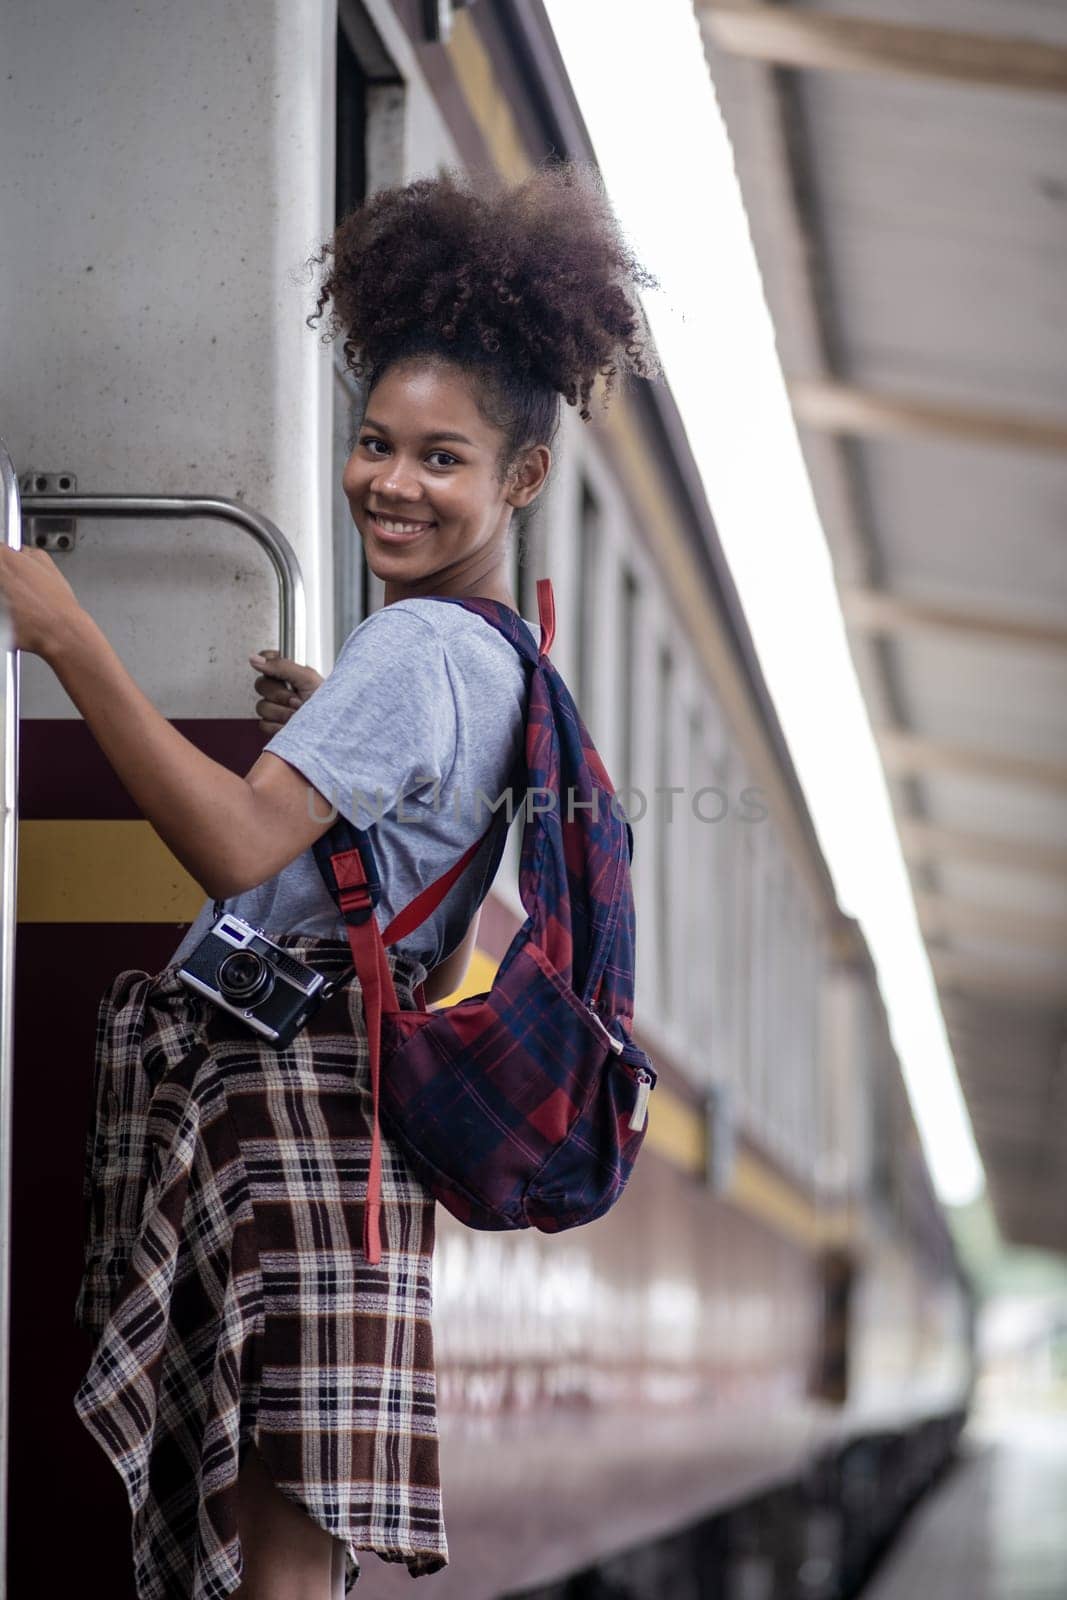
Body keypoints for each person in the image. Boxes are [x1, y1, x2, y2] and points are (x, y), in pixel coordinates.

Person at [0, 158, 660, 1600]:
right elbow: (394, 824)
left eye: (441, 459)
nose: (389, 482)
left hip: (282, 1101)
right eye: (376, 443)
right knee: (291, 1557)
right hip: (350, 1116)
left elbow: (239, 849)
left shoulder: (414, 651)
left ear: (521, 479)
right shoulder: (499, 656)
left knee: (274, 1565)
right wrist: (335, 718)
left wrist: (67, 637)